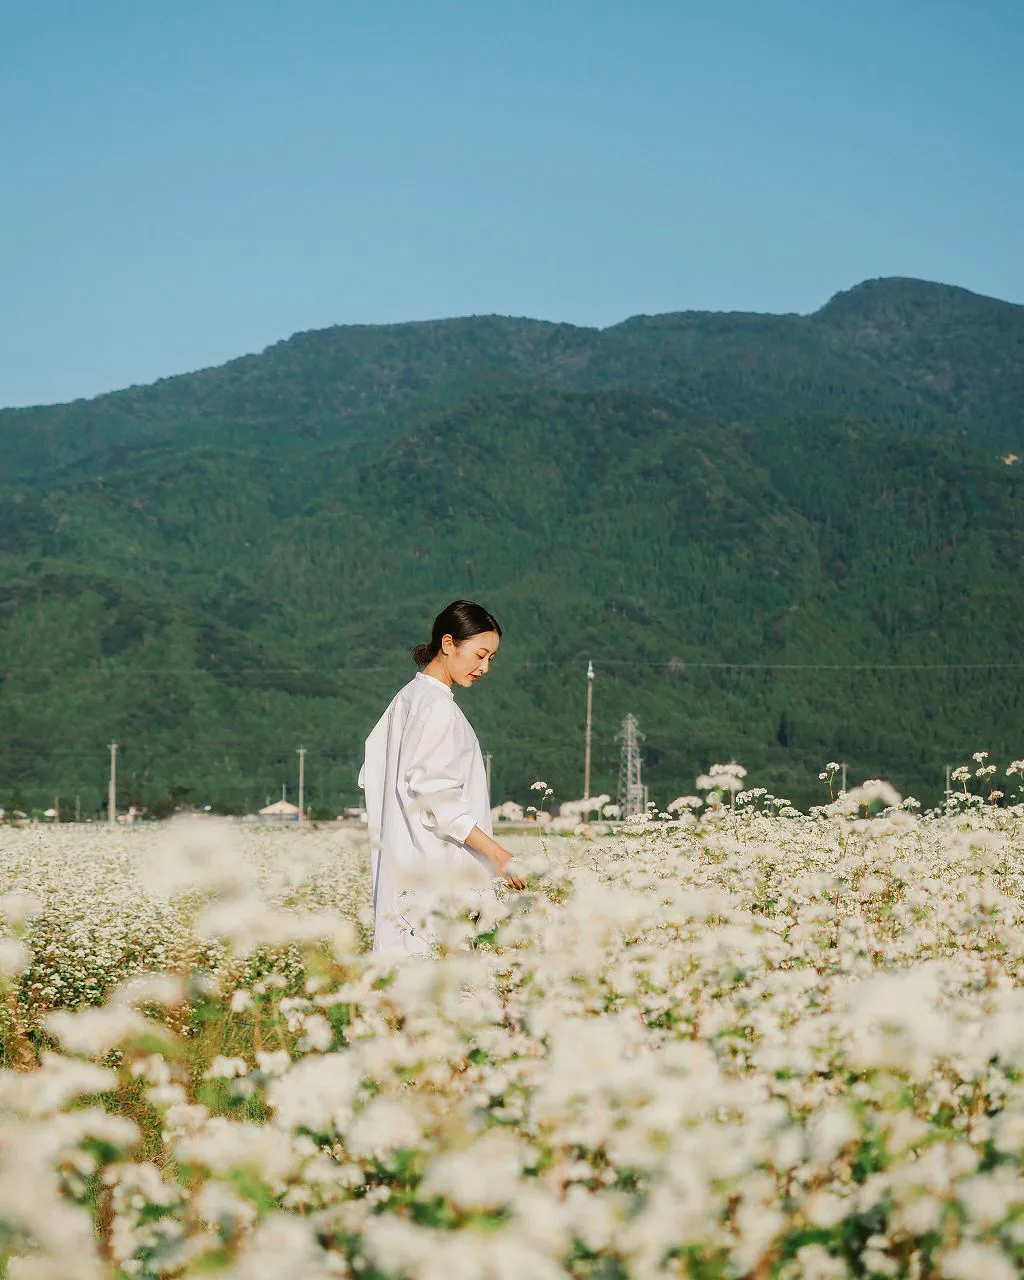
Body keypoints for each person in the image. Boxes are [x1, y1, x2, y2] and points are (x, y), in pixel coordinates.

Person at [359, 600, 527, 957]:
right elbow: (438, 800)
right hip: (435, 880)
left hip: (405, 876)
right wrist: (498, 855)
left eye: (491, 660)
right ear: (448, 644)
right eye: (479, 655)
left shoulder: (408, 698)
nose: (484, 668)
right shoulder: (436, 707)